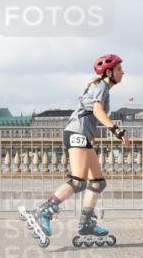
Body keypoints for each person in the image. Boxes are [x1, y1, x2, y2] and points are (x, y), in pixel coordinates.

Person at [19, 54, 131, 247]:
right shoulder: (101, 86)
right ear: (108, 72)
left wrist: (92, 136)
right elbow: (97, 111)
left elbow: (90, 115)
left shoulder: (102, 88)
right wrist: (117, 131)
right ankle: (44, 211)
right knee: (78, 181)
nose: (123, 72)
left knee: (97, 182)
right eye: (119, 69)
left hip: (82, 136)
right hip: (76, 134)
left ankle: (86, 223)